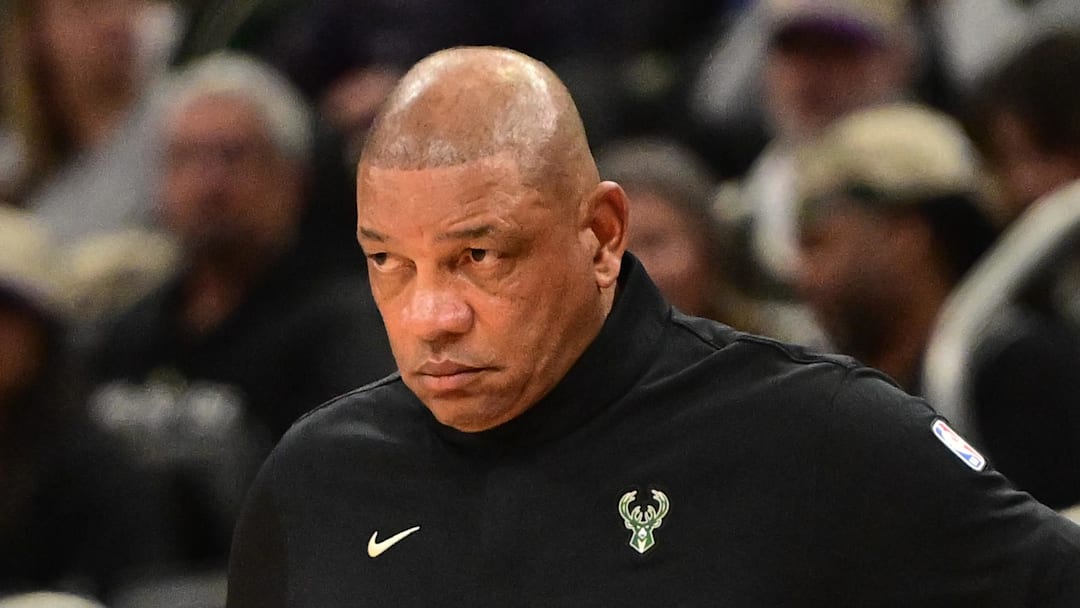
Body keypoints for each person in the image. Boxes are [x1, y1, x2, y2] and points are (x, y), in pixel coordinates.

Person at [228, 47, 1080, 607]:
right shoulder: (316, 481)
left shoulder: (819, 435)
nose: (432, 317)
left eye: (480, 256)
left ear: (600, 235)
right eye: (389, 262)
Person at [89, 53, 395, 571]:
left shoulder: (345, 327)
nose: (210, 183)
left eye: (233, 157)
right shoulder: (125, 333)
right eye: (187, 157)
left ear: (293, 180)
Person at [794, 103, 998, 393]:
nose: (801, 274)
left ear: (905, 235)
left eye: (818, 243)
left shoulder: (1009, 376)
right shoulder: (821, 390)